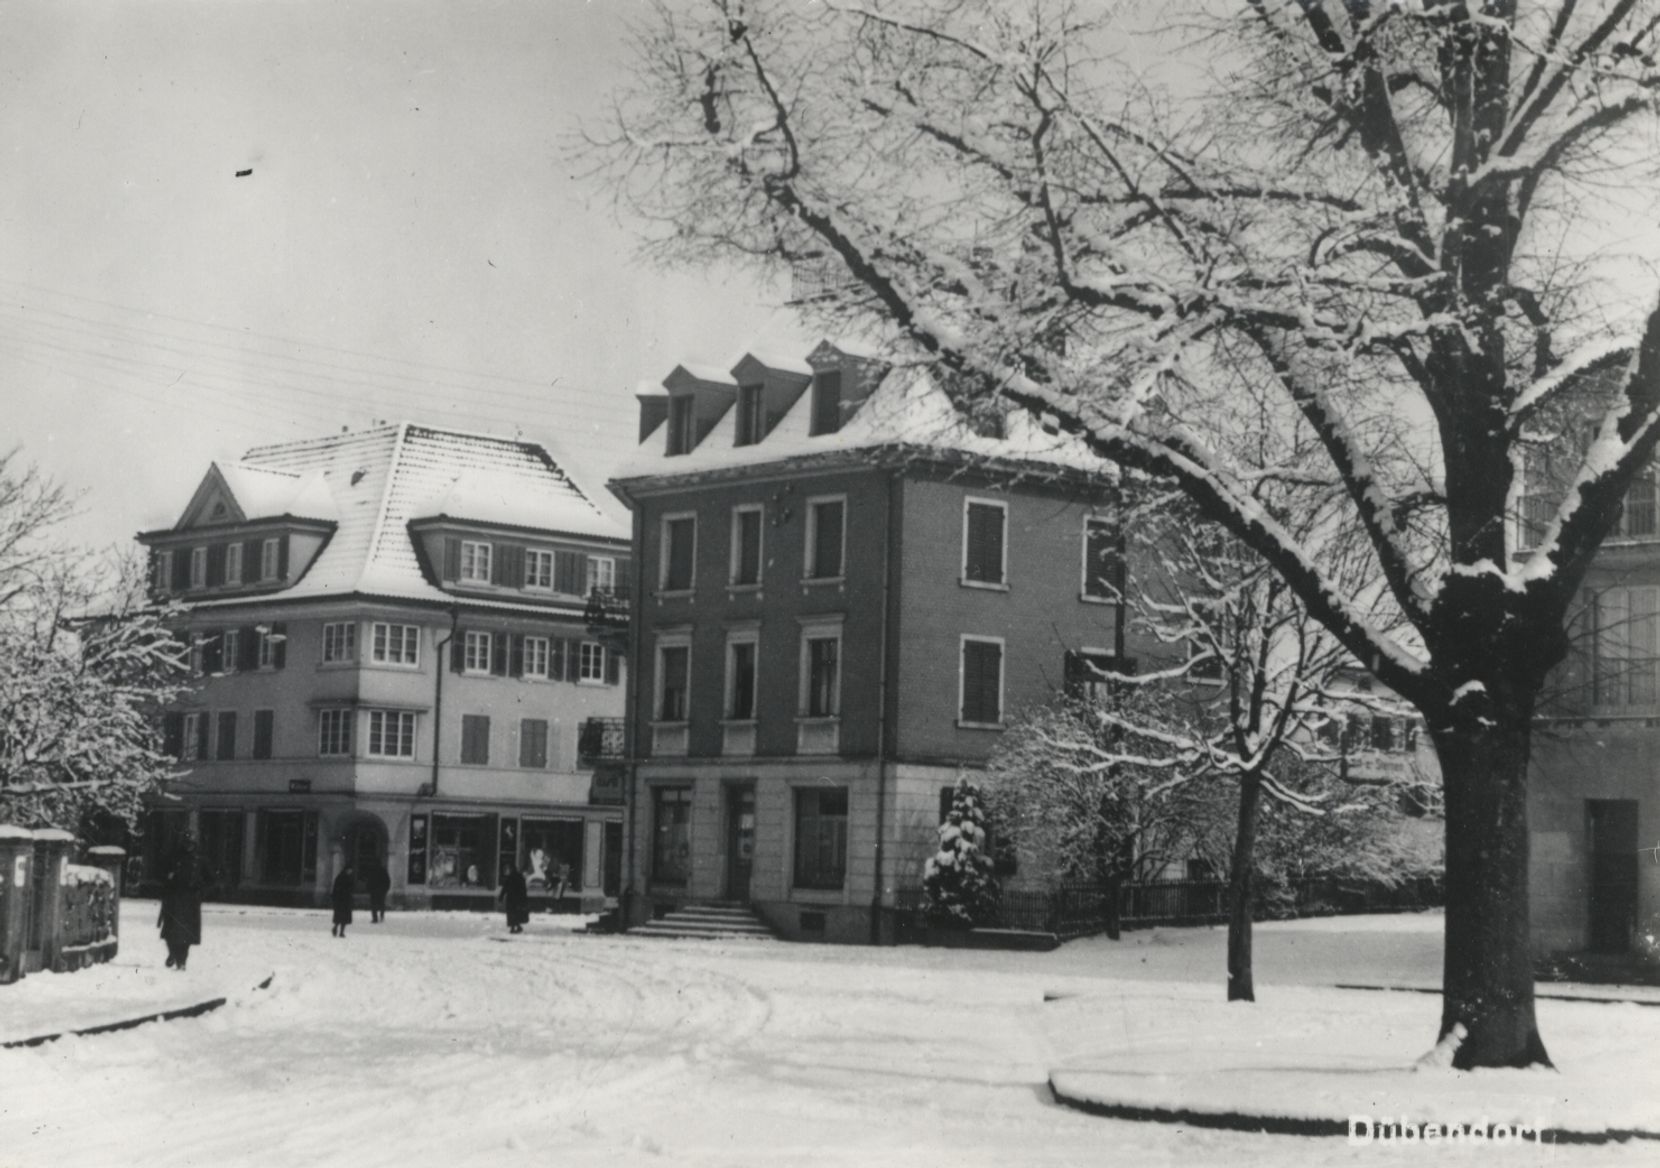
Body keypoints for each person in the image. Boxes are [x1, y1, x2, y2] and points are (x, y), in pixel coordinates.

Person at [157, 836, 203, 971]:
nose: (189, 846)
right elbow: (160, 874)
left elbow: (210, 879)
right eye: (186, 843)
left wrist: (201, 891)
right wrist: (167, 878)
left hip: (190, 900)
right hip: (173, 898)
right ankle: (173, 954)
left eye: (191, 844)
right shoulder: (173, 858)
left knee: (186, 935)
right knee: (169, 931)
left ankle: (181, 961)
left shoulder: (199, 860)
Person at [498, 864, 529, 934]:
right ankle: (517, 926)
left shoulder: (510, 878)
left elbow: (504, 888)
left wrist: (501, 897)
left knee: (511, 913)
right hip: (518, 899)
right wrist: (524, 898)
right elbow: (523, 889)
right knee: (516, 913)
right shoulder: (520, 877)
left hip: (511, 899)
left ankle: (513, 927)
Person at [331, 863, 355, 938]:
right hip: (343, 900)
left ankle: (339, 930)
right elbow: (338, 889)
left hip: (343, 900)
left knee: (341, 917)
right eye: (350, 870)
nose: (351, 871)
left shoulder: (342, 877)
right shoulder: (343, 877)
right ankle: (339, 930)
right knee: (343, 917)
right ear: (347, 870)